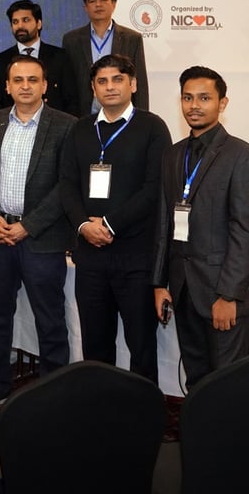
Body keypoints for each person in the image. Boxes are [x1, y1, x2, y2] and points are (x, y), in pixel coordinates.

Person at [60, 54, 171, 383]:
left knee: (141, 346)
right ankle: (100, 408)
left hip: (135, 257)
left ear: (133, 84)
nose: (110, 87)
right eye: (102, 81)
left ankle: (144, 410)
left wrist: (108, 225)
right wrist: (84, 225)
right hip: (90, 257)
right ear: (93, 88)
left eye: (117, 79)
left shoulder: (152, 127)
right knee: (96, 347)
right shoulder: (80, 129)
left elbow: (154, 189)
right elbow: (67, 184)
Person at [0, 55, 76, 403]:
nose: (25, 86)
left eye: (33, 80)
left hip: (42, 239)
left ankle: (53, 389)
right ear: (7, 86)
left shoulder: (65, 125)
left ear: (45, 85)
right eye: (18, 80)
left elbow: (66, 184)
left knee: (50, 320)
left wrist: (27, 226)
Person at [153, 66, 249, 389]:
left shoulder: (240, 155)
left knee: (228, 384)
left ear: (222, 103)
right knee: (196, 381)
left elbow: (243, 229)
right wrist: (160, 283)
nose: (194, 105)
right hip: (182, 291)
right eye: (188, 98)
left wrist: (229, 295)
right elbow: (164, 223)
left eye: (204, 98)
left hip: (221, 295)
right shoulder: (172, 155)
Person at [62, 0, 149, 115]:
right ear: (85, 7)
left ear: (113, 3)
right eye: (92, 1)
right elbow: (68, 84)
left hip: (121, 110)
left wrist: (142, 117)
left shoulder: (131, 38)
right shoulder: (71, 39)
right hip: (84, 113)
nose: (98, 4)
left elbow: (139, 82)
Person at [0, 0, 78, 116]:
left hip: (55, 123)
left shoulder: (59, 56)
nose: (20, 26)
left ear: (39, 24)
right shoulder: (2, 60)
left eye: (26, 20)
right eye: (15, 22)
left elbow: (71, 100)